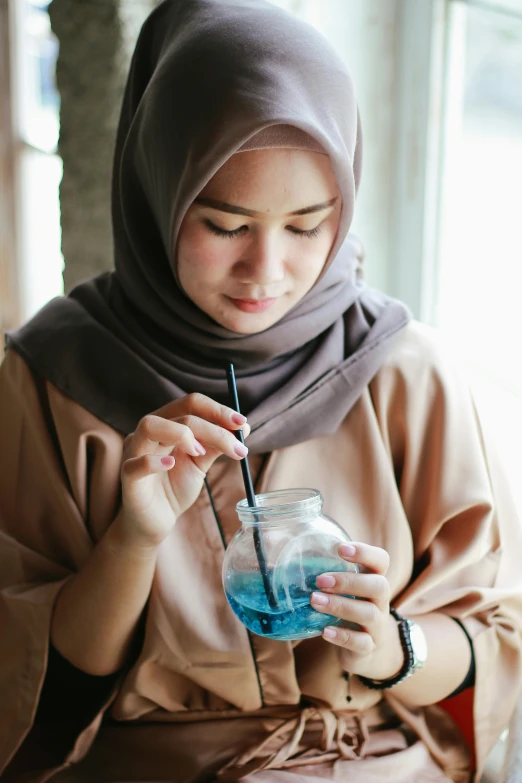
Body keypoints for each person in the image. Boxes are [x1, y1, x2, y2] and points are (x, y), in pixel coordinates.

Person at [0, 1, 521, 781]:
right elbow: (35, 695)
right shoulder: (49, 379)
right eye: (225, 223)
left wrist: (387, 641)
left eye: (308, 225)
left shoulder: (408, 372)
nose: (266, 272)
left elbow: (492, 645)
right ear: (157, 190)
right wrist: (133, 538)